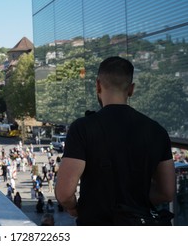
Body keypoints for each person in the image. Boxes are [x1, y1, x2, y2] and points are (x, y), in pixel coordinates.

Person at [55, 56, 176, 226]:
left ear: (98, 85)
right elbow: (167, 192)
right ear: (131, 89)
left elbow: (64, 193)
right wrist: (132, 202)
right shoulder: (157, 131)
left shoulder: (82, 128)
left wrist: (76, 207)